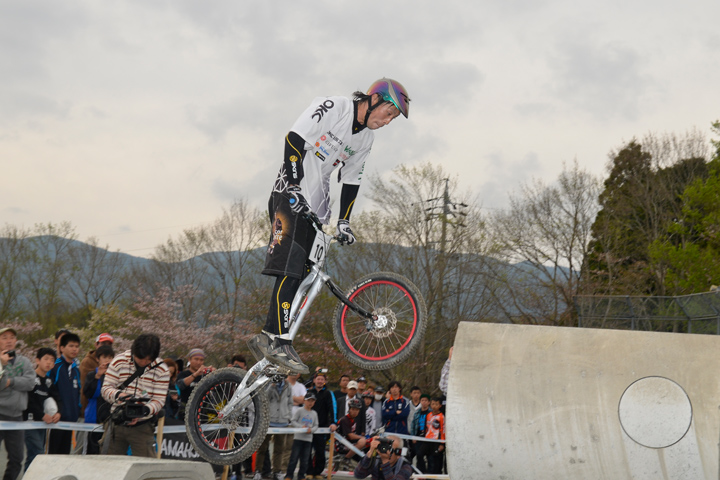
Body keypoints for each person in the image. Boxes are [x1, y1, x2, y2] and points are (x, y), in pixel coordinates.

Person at [248, 78, 411, 375]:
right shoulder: (335, 106)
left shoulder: (365, 140)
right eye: (388, 113)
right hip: (289, 193)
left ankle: (272, 335)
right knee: (291, 266)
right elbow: (294, 139)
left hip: (316, 208)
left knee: (306, 274)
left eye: (392, 119)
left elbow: (351, 181)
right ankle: (276, 340)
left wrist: (344, 222)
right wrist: (295, 187)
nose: (387, 122)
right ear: (374, 99)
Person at [100, 333, 170, 457]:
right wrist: (119, 395)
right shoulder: (119, 361)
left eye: (149, 360)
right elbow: (105, 389)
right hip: (116, 422)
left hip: (143, 426)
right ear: (133, 351)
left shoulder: (162, 370)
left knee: (146, 467)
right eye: (141, 358)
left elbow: (159, 400)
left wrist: (144, 410)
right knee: (109, 466)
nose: (144, 362)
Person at [0, 327, 35, 480]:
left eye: (12, 337)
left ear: (16, 341)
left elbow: (30, 383)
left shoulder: (24, 361)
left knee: (16, 458)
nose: (9, 340)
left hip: (17, 416)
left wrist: (10, 381)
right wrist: (2, 365)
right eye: (4, 337)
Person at [23, 347, 61, 472]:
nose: (49, 362)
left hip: (43, 424)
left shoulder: (49, 381)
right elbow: (28, 400)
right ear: (37, 360)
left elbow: (57, 398)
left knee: (35, 456)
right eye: (46, 359)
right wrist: (41, 414)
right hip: (30, 423)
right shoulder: (30, 378)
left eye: (52, 360)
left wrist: (58, 413)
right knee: (37, 453)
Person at [48, 331, 82, 455]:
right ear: (62, 348)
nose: (74, 349)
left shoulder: (75, 370)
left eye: (77, 346)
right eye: (71, 346)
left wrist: (76, 411)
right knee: (51, 455)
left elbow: (78, 393)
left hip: (70, 420)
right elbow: (48, 390)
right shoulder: (54, 366)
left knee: (64, 455)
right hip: (55, 420)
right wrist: (55, 411)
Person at [253, 376, 293, 480]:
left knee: (279, 449)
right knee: (262, 448)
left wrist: (288, 416)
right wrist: (272, 386)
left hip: (283, 422)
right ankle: (258, 471)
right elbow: (264, 399)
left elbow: (290, 403)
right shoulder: (268, 384)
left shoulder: (288, 386)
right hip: (269, 421)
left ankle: (277, 471)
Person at [83, 344, 115, 454]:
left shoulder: (115, 376)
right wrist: (97, 377)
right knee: (93, 449)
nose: (107, 360)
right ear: (97, 359)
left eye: (110, 358)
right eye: (104, 357)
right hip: (94, 417)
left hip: (110, 418)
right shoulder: (92, 374)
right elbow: (88, 393)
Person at [305, 369, 337, 479]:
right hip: (308, 426)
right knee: (307, 450)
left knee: (320, 451)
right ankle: (309, 472)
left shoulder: (328, 393)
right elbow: (304, 408)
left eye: (322, 379)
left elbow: (333, 408)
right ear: (314, 380)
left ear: (325, 381)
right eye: (318, 379)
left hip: (322, 427)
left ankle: (318, 472)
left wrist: (334, 422)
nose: (320, 381)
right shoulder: (309, 393)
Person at [285, 391, 318, 480]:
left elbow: (316, 425)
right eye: (308, 400)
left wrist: (311, 430)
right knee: (294, 458)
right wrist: (301, 427)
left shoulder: (314, 413)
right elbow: (293, 421)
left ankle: (301, 476)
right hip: (298, 438)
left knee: (305, 460)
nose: (310, 403)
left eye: (312, 401)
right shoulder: (300, 410)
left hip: (308, 439)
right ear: (304, 401)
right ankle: (289, 475)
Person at [79, 332, 114, 412]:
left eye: (109, 344)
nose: (106, 346)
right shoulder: (87, 362)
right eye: (103, 343)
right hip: (91, 408)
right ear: (96, 344)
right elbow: (86, 389)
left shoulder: (113, 368)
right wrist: (97, 376)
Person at [175, 348, 214, 419]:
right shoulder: (183, 374)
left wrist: (215, 374)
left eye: (201, 360)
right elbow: (180, 385)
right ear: (189, 359)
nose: (199, 362)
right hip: (185, 413)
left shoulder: (206, 376)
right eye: (196, 359)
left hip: (203, 414)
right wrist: (196, 374)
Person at [336, 397, 367, 468]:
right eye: (353, 409)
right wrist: (362, 437)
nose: (355, 411)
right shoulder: (345, 420)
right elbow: (351, 436)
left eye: (357, 410)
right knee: (362, 441)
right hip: (341, 445)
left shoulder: (353, 420)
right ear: (349, 409)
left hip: (348, 443)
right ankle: (346, 459)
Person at [417, 398, 445, 474]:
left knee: (432, 461)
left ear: (440, 405)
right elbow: (426, 427)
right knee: (419, 454)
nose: (434, 406)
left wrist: (442, 443)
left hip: (436, 441)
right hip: (427, 440)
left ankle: (431, 476)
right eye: (433, 404)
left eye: (436, 404)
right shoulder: (428, 415)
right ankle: (424, 471)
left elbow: (443, 430)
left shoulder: (441, 416)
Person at [409, 394, 431, 473]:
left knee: (429, 458)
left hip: (428, 438)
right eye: (422, 400)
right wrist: (413, 437)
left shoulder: (431, 413)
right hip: (418, 437)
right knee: (419, 455)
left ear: (429, 402)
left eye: (426, 400)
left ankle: (427, 474)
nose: (424, 402)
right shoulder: (417, 413)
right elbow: (413, 425)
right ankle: (419, 473)